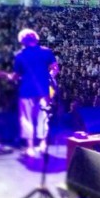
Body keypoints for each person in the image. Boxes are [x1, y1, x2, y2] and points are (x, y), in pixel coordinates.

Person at [13, 28, 60, 157]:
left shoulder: (20, 56)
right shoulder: (46, 52)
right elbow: (55, 69)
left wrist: (9, 77)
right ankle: (43, 145)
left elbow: (16, 76)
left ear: (22, 41)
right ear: (36, 38)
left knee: (27, 119)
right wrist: (49, 77)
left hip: (26, 91)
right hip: (43, 89)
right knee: (43, 118)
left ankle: (30, 147)